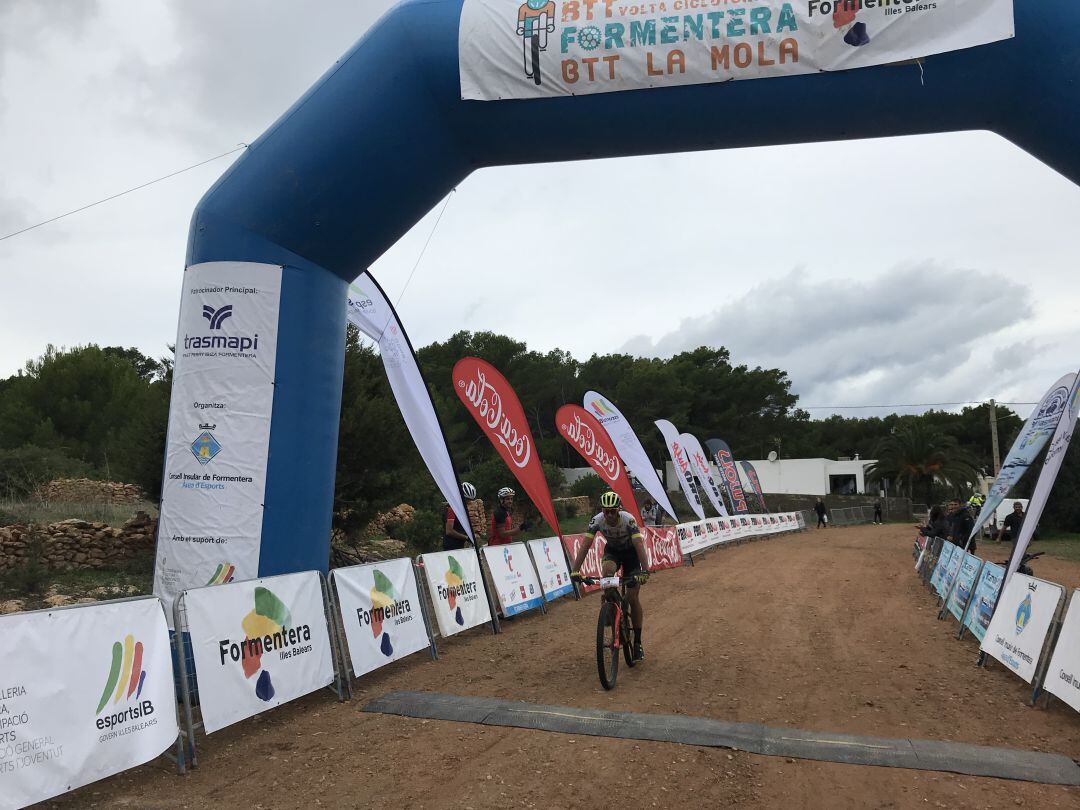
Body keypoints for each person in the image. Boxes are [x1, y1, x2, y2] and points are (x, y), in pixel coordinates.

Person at [570, 491, 650, 661]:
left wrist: (645, 570)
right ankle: (610, 606)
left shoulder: (628, 519)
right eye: (606, 511)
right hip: (613, 552)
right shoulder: (597, 520)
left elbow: (638, 545)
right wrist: (575, 570)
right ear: (602, 510)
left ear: (619, 509)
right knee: (607, 574)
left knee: (633, 597)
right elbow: (585, 544)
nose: (610, 515)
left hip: (631, 555)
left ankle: (637, 642)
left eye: (613, 511)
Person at [443, 482, 477, 551]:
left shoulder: (460, 509)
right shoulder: (452, 509)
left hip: (460, 545)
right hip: (451, 547)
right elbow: (449, 531)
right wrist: (467, 538)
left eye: (470, 500)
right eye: (467, 500)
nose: (469, 502)